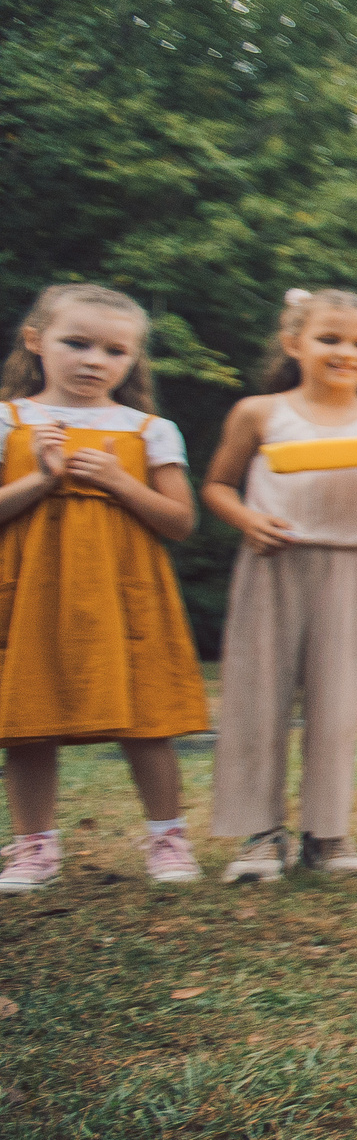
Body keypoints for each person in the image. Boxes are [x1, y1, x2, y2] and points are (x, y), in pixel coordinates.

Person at [201, 290, 357, 881]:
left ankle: (327, 833)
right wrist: (247, 519)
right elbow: (218, 487)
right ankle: (258, 835)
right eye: (330, 338)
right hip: (274, 564)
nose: (345, 352)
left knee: (337, 701)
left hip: (353, 567)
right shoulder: (259, 413)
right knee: (258, 695)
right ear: (294, 344)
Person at [0, 284, 211, 891]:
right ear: (36, 342)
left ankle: (167, 840)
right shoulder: (10, 420)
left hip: (124, 594)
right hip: (32, 593)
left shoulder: (150, 429)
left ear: (133, 360)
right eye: (77, 343)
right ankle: (33, 848)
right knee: (27, 721)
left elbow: (179, 521)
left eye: (115, 350)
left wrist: (119, 479)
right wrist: (41, 480)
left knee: (145, 718)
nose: (95, 360)